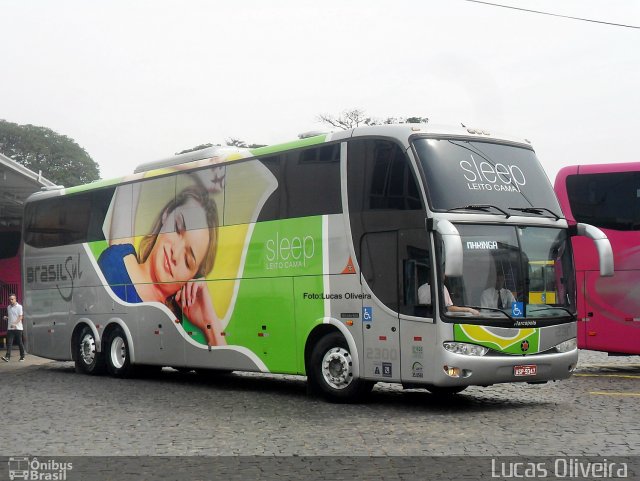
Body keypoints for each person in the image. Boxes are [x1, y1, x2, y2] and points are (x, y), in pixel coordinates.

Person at [98, 184, 225, 347]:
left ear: (191, 277)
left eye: (187, 261)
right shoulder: (120, 253)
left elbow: (223, 363)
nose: (175, 254)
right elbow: (130, 183)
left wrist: (210, 322)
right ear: (166, 214)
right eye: (178, 227)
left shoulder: (174, 320)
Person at [2, 294, 25, 362]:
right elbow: (12, 317)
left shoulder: (19, 307)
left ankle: (22, 356)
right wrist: (6, 317)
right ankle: (7, 357)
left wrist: (15, 324)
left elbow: (21, 317)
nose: (11, 300)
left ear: (15, 299)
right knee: (9, 343)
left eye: (12, 299)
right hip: (10, 328)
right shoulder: (8, 307)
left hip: (18, 328)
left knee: (20, 343)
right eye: (10, 299)